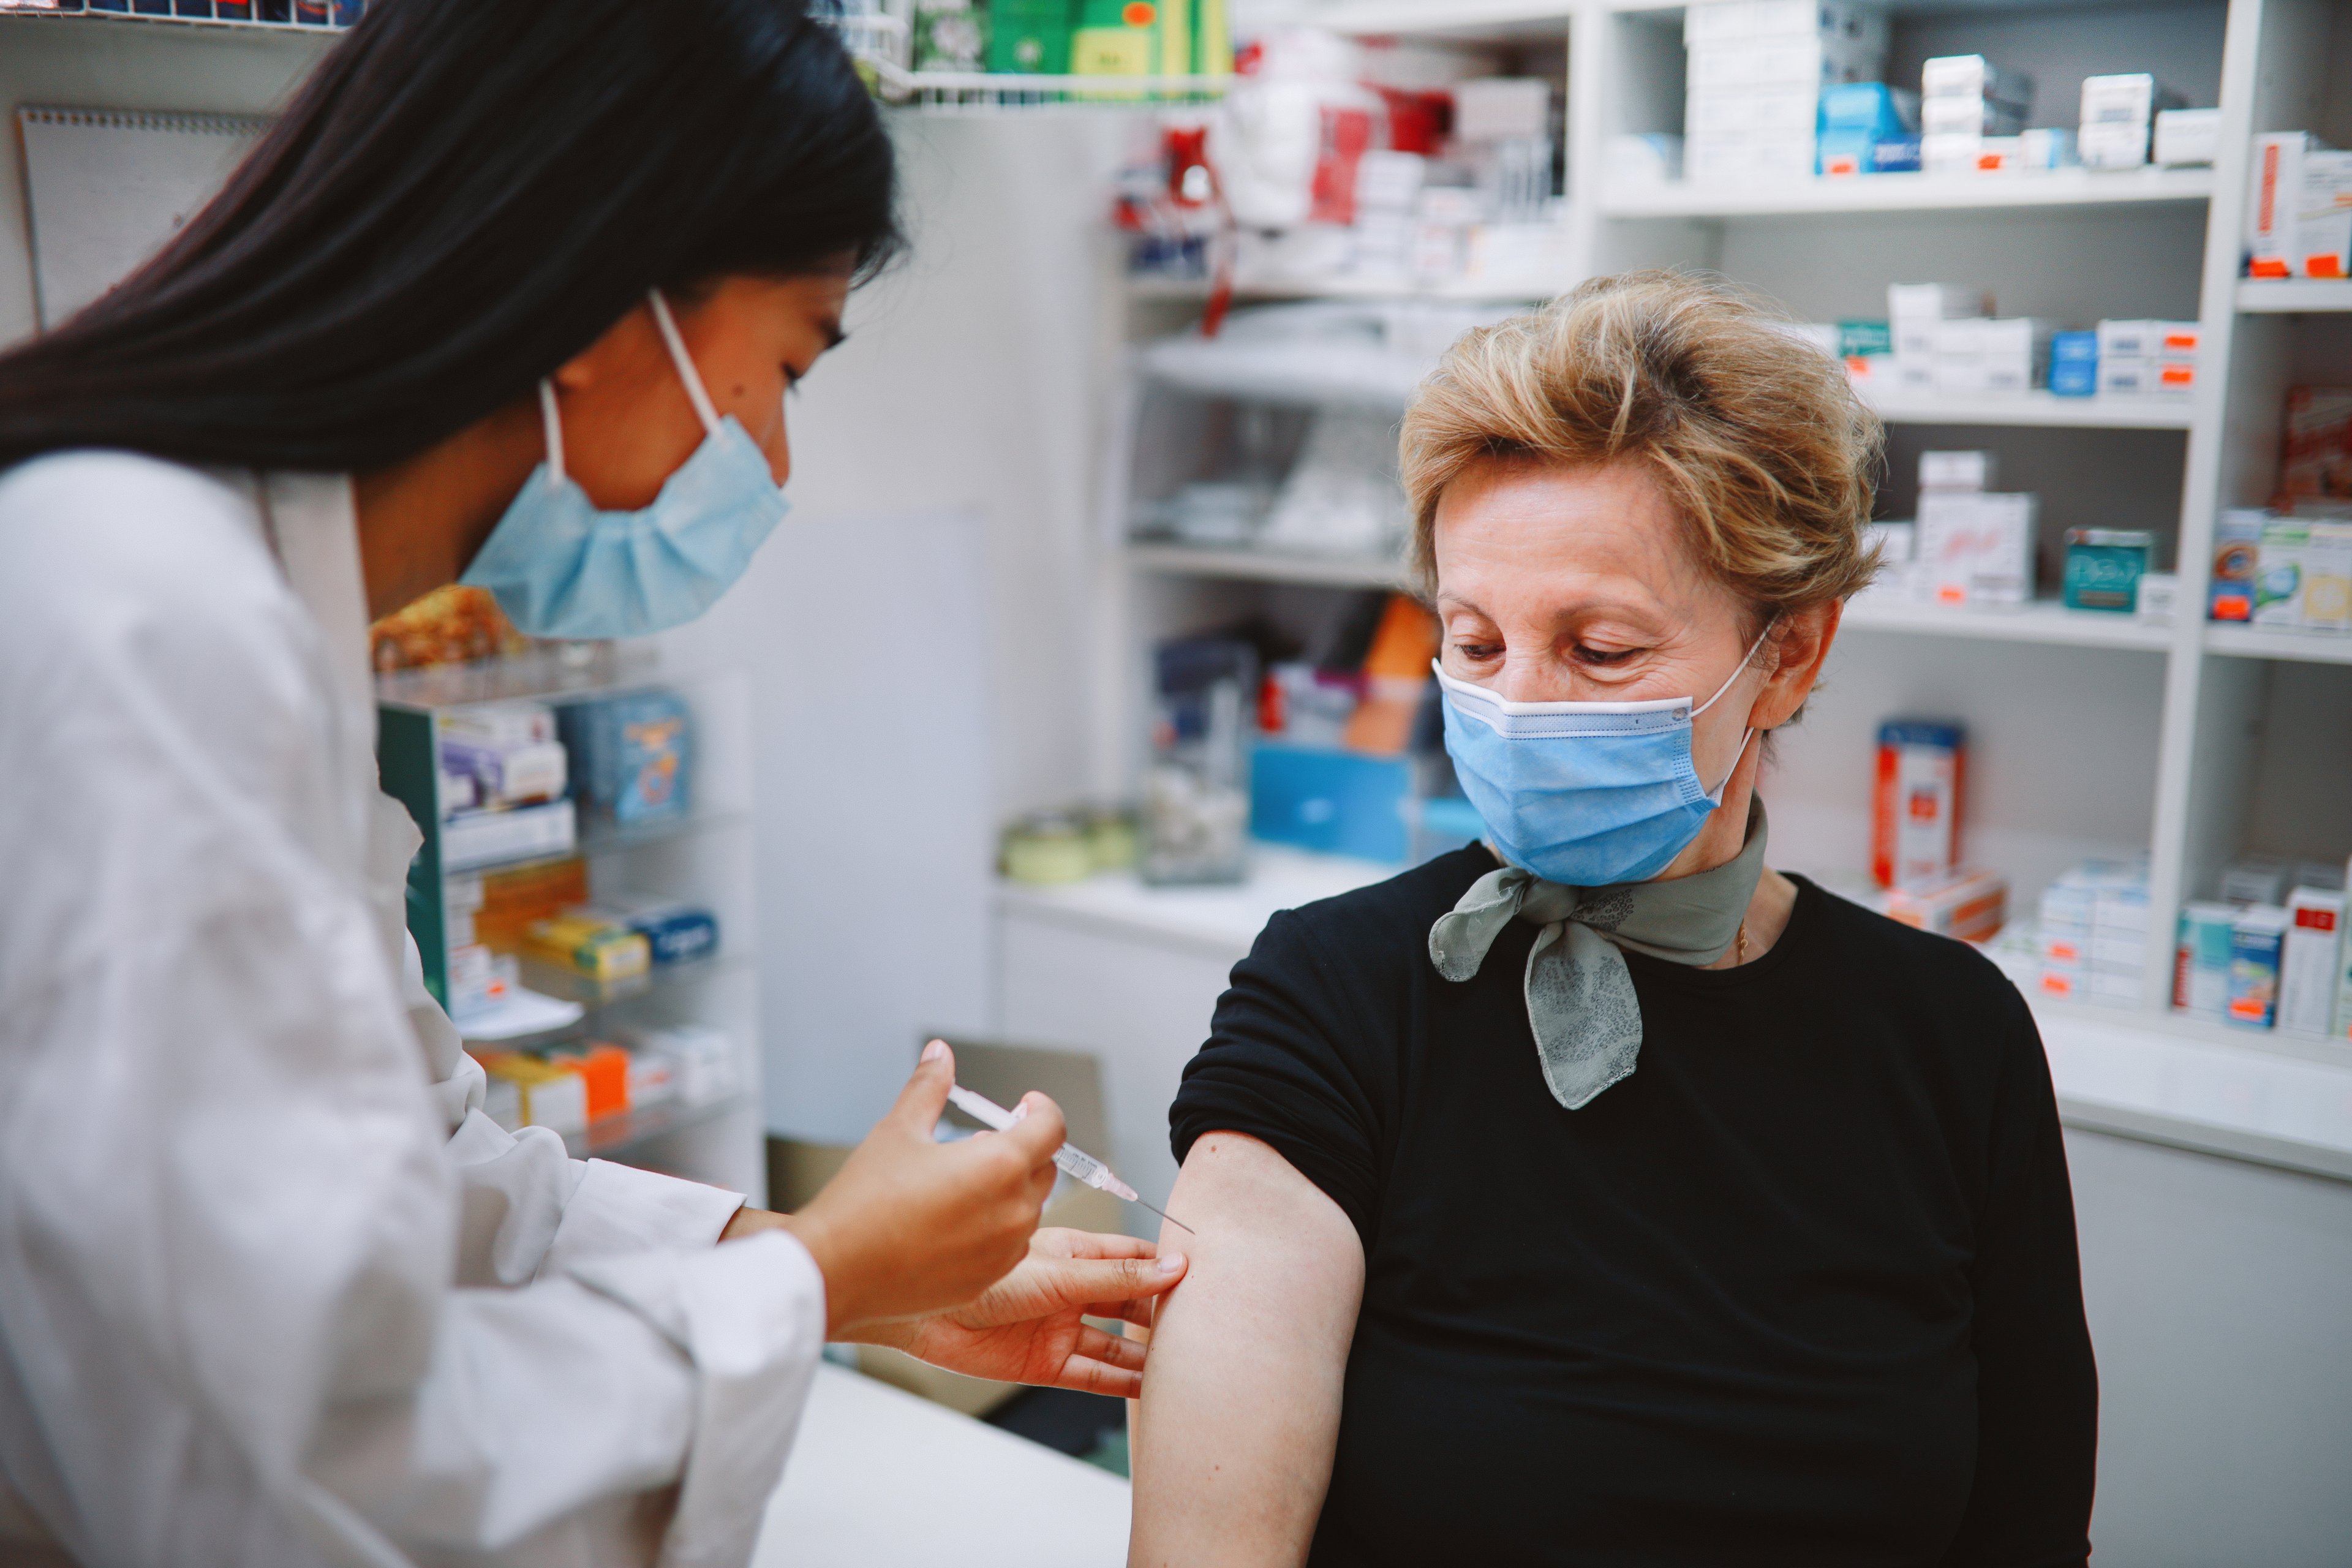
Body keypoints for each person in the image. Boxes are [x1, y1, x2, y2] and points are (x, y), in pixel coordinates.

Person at [0, 3, 1183, 1564]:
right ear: (600, 300)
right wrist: (816, 1277)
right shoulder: (145, 619)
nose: (767, 456)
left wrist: (836, 1261)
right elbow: (291, 1467)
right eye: (785, 367)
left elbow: (416, 1183)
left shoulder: (253, 618)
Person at [1126, 272, 2098, 1567]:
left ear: (1792, 651)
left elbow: (2027, 1530)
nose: (1522, 705)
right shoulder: (1337, 995)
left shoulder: (1949, 1035)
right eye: (1474, 643)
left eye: (1602, 649)